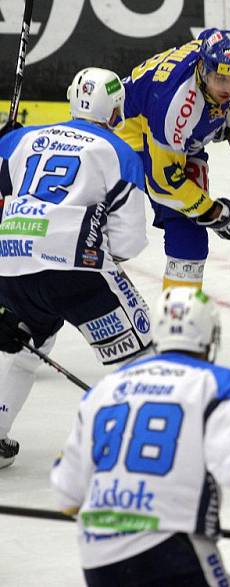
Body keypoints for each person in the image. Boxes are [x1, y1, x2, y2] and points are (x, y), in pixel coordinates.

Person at [50, 287, 230, 584]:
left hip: (98, 557)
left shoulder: (104, 390)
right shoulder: (218, 384)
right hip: (171, 548)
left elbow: (66, 493)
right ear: (210, 337)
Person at [0, 67, 154, 469]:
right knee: (138, 351)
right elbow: (129, 240)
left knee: (26, 348)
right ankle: (151, 442)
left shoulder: (20, 140)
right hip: (76, 269)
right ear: (117, 109)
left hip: (11, 262)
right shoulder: (119, 152)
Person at [119, 27, 230, 290]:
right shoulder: (177, 111)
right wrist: (218, 213)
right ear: (203, 68)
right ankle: (178, 322)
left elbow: (210, 34)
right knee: (186, 227)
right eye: (221, 79)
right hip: (130, 134)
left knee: (194, 228)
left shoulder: (208, 52)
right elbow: (164, 184)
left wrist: (218, 114)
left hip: (172, 130)